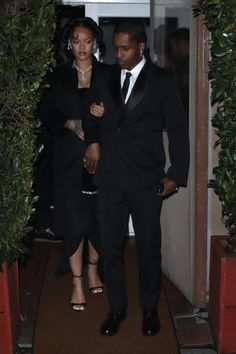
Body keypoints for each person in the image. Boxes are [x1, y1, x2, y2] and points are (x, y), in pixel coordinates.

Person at [85, 20, 190, 335]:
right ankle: (116, 310)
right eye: (115, 47)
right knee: (111, 247)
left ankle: (149, 309)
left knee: (148, 247)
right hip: (111, 178)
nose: (118, 53)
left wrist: (177, 173)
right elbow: (91, 115)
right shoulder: (105, 77)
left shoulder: (162, 81)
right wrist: (92, 136)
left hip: (146, 178)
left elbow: (178, 131)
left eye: (125, 48)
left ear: (141, 47)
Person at [40, 17, 110, 312]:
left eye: (88, 40)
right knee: (72, 219)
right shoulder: (58, 76)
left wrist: (104, 114)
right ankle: (77, 282)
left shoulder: (109, 75)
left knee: (98, 218)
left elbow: (123, 112)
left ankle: (93, 267)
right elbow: (46, 109)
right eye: (76, 40)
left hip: (103, 157)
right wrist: (68, 122)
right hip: (68, 158)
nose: (82, 46)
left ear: (95, 43)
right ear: (69, 44)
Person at [166, 27, 190, 115]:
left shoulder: (184, 68)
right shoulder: (189, 65)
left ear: (182, 44)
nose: (172, 53)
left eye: (173, 48)